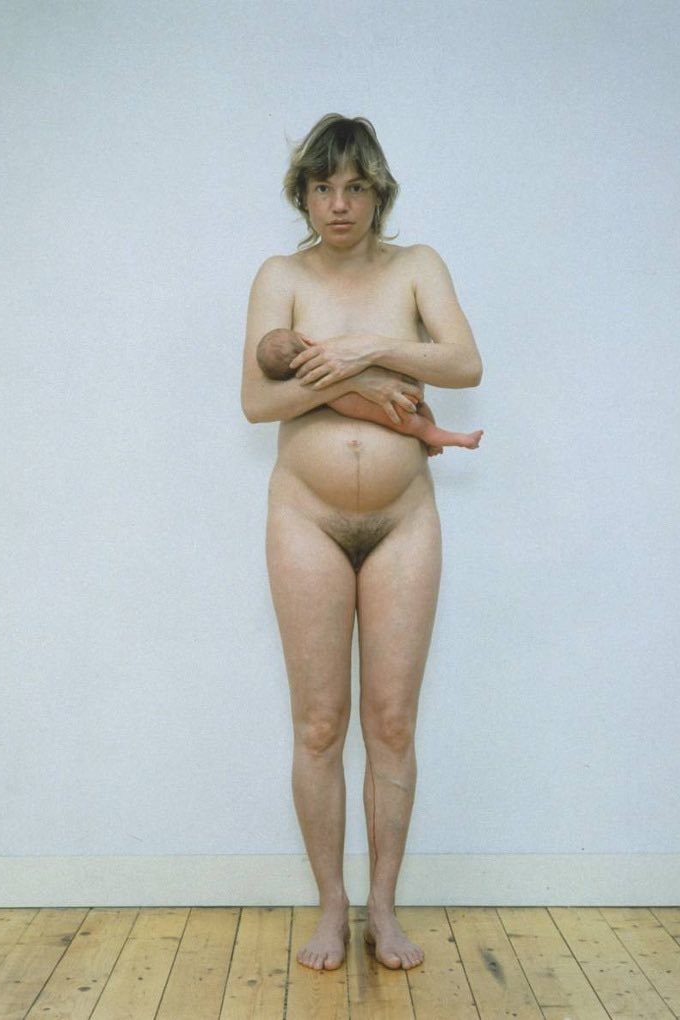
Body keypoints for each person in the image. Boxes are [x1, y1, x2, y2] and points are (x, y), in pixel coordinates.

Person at [241, 114, 482, 971]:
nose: (338, 204)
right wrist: (355, 384)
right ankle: (331, 906)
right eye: (322, 188)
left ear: (379, 193)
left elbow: (464, 363)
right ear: (302, 196)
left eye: (354, 188)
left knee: (391, 721)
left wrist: (367, 349)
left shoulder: (418, 268)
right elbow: (257, 402)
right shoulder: (281, 276)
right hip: (304, 516)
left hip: (402, 519)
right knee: (318, 723)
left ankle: (382, 905)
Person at [257, 328, 483, 452]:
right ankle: (453, 439)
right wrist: (353, 381)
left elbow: (470, 369)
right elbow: (256, 408)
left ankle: (448, 439)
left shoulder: (321, 376)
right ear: (305, 339)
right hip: (399, 402)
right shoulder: (332, 355)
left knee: (422, 428)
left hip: (395, 406)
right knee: (422, 420)